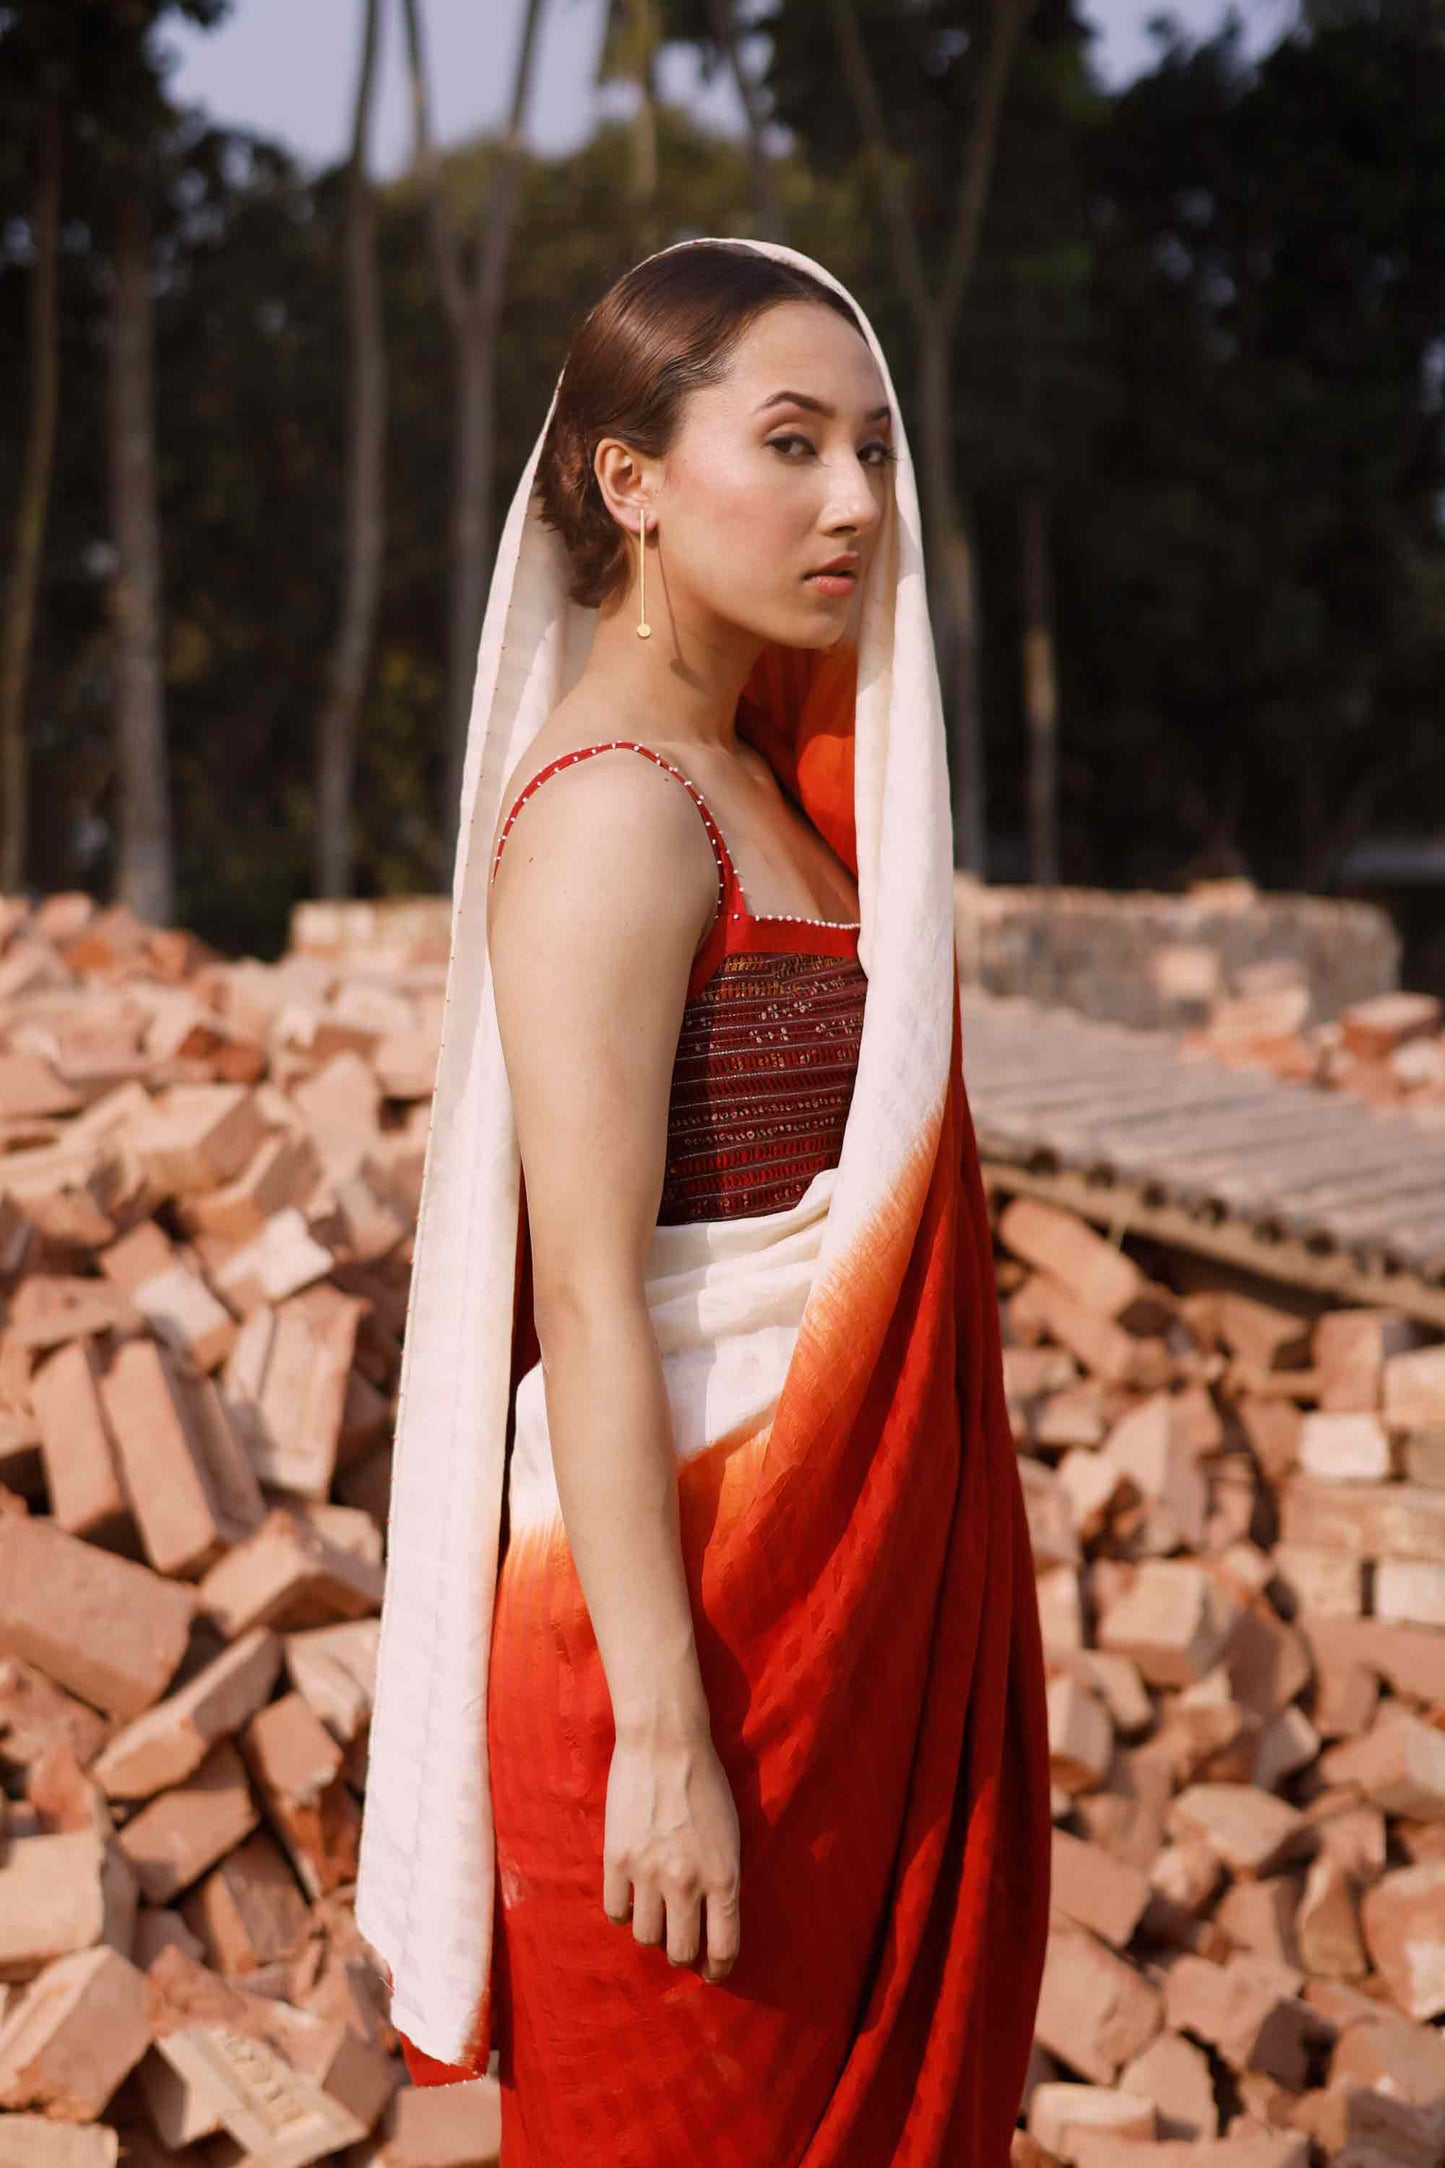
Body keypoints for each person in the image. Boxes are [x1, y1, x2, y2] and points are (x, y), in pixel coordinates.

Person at [354, 237, 1052, 2166]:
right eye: (794, 442)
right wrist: (663, 1733)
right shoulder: (608, 814)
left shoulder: (758, 781)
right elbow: (584, 1299)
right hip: (675, 1664)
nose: (855, 500)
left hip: (824, 1643)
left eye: (875, 450)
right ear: (629, 480)